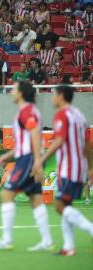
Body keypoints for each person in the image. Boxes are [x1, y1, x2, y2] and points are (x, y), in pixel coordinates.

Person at [0, 81, 53, 252]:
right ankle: (47, 241)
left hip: (28, 160)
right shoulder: (24, 112)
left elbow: (36, 135)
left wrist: (37, 161)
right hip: (27, 157)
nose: (11, 92)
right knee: (36, 199)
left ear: (21, 93)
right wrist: (7, 156)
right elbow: (25, 141)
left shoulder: (28, 111)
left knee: (7, 194)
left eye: (14, 89)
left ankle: (7, 240)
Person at [34, 85, 93, 256]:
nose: (52, 97)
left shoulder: (62, 115)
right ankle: (69, 247)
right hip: (78, 167)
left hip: (69, 168)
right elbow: (88, 144)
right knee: (66, 205)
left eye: (54, 94)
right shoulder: (80, 116)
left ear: (61, 96)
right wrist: (90, 167)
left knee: (60, 206)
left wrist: (41, 160)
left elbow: (59, 140)